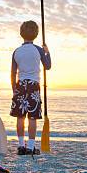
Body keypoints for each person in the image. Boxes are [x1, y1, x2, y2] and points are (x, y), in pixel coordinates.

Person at [10, 20, 51, 155]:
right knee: (32, 117)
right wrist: (47, 52)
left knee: (20, 117)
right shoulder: (38, 50)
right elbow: (48, 66)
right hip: (33, 85)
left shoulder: (16, 51)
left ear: (21, 33)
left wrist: (13, 88)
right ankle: (31, 147)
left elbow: (13, 72)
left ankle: (21, 146)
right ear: (36, 34)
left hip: (20, 85)